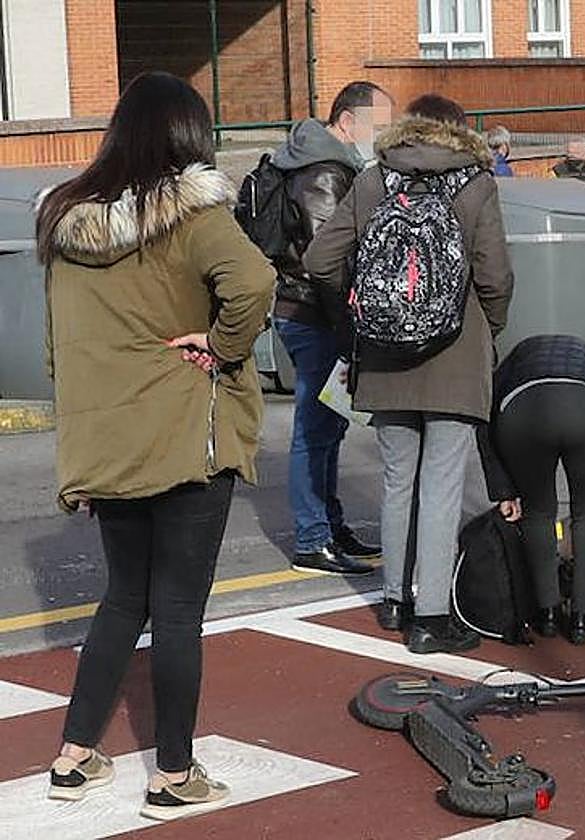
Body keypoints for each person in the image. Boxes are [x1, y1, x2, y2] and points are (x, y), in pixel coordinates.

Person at [37, 72, 275, 819]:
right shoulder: (196, 216)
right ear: (189, 138)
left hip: (106, 438)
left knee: (121, 599)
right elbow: (256, 282)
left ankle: (75, 754)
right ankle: (173, 774)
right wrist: (223, 344)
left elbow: (59, 350)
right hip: (184, 435)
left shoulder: (65, 223)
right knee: (177, 612)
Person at [304, 93, 513, 654]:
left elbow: (320, 261)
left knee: (398, 482)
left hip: (382, 354)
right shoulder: (475, 185)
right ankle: (431, 618)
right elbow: (494, 275)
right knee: (442, 487)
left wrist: (364, 310)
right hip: (455, 357)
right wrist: (485, 327)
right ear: (460, 132)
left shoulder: (374, 180)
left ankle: (394, 601)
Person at [269, 80, 393, 577]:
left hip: (302, 309)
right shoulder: (325, 171)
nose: (381, 136)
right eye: (377, 125)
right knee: (317, 428)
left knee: (329, 425)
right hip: (312, 313)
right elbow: (326, 259)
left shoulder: (314, 161)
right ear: (348, 121)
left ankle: (328, 524)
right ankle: (312, 537)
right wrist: (348, 325)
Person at [479, 335, 585, 645]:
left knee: (537, 510)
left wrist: (504, 490)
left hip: (526, 411)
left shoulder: (516, 360)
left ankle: (546, 613)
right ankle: (583, 620)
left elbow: (486, 422)